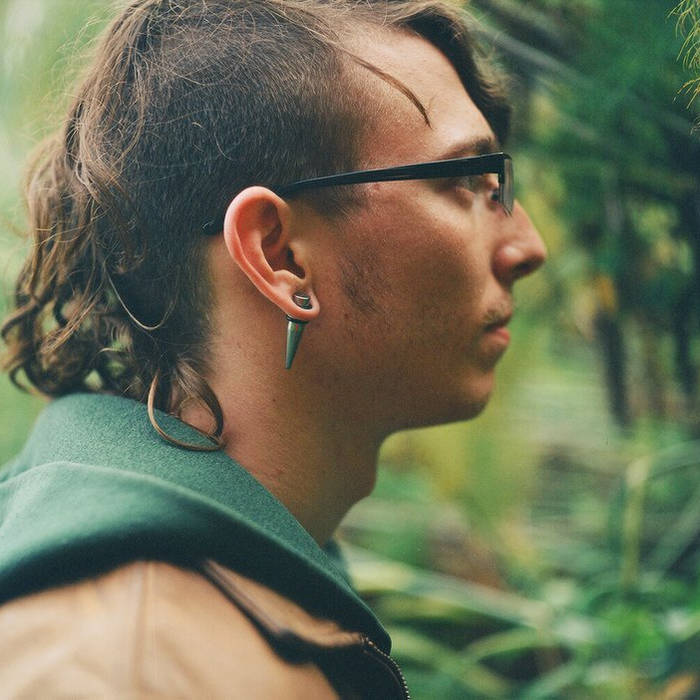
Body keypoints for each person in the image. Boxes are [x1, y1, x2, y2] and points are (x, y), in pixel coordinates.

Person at [0, 0, 546, 696]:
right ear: (280, 256)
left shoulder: (237, 581)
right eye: (466, 180)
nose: (527, 246)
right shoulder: (123, 671)